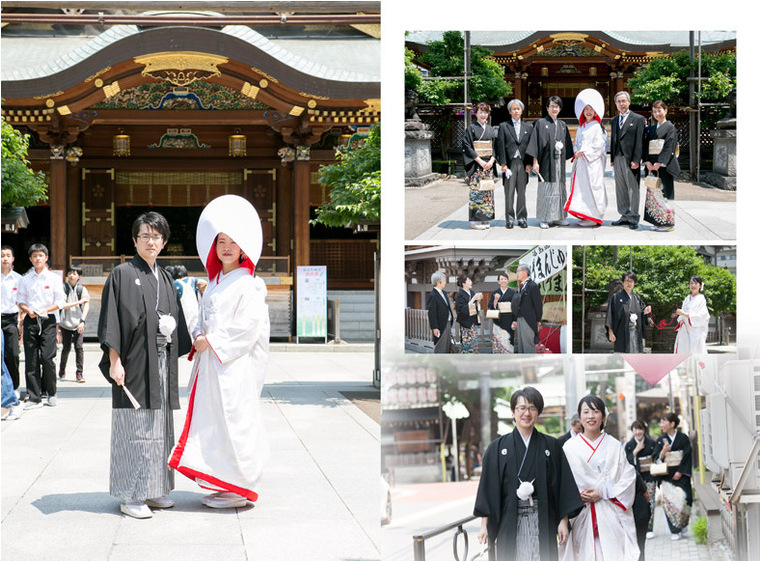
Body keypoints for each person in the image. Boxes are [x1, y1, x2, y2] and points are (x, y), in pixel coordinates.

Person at [169, 195, 270, 509]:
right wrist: (199, 333)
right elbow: (202, 318)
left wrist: (211, 341)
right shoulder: (213, 283)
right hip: (212, 364)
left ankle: (242, 486)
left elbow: (249, 326)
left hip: (234, 365)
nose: (226, 247)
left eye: (233, 242)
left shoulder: (250, 285)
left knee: (235, 420)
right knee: (214, 421)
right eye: (221, 241)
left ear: (243, 248)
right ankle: (224, 481)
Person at [98, 212, 191, 519]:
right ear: (134, 240)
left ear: (164, 242)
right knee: (134, 426)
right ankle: (129, 494)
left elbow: (174, 319)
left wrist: (170, 326)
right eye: (145, 236)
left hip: (161, 361)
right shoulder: (122, 274)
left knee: (159, 426)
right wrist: (115, 361)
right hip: (134, 362)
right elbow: (112, 319)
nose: (151, 242)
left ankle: (153, 489)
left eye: (157, 237)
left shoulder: (165, 278)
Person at [474, 386, 583, 560]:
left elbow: (561, 486)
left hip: (542, 518)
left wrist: (563, 521)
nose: (527, 413)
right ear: (513, 412)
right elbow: (489, 488)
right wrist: (484, 525)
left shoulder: (551, 445)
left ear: (538, 412)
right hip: (509, 519)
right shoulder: (498, 448)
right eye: (522, 408)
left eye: (532, 408)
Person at [561, 395, 640, 561]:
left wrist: (603, 492)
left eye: (596, 411)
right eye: (586, 412)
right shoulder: (569, 448)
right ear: (579, 417)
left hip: (610, 511)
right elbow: (562, 483)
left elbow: (628, 476)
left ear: (603, 417)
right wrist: (577, 496)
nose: (591, 416)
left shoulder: (614, 445)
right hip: (580, 513)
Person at [16, 244, 66, 409]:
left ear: (46, 258)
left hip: (48, 320)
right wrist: (27, 310)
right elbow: (20, 299)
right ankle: (34, 396)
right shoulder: (25, 279)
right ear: (30, 259)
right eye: (34, 256)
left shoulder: (53, 279)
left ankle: (51, 392)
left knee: (47, 357)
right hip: (31, 319)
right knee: (31, 359)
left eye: (40, 255)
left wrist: (46, 309)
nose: (38, 258)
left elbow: (60, 301)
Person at [527, 96, 573, 229]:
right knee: (546, 189)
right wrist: (535, 162)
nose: (554, 109)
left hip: (559, 162)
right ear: (547, 108)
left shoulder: (563, 125)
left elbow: (568, 145)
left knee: (559, 189)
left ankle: (559, 217)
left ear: (560, 108)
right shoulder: (540, 123)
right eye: (552, 106)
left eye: (557, 106)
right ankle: (544, 217)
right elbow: (535, 143)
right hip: (546, 162)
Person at [564, 89, 608, 227]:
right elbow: (576, 143)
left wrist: (583, 153)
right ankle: (585, 213)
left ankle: (594, 215)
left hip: (592, 163)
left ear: (595, 112)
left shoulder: (597, 127)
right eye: (586, 109)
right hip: (581, 163)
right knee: (581, 189)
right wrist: (576, 151)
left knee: (592, 187)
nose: (588, 112)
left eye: (591, 109)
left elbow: (599, 146)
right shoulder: (581, 127)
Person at [652, 413, 693, 541]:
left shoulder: (683, 438)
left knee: (686, 500)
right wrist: (662, 453)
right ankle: (674, 530)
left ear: (672, 424)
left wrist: (681, 471)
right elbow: (655, 458)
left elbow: (687, 455)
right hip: (667, 476)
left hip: (682, 475)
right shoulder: (660, 440)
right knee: (670, 503)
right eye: (661, 422)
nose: (661, 425)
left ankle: (684, 525)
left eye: (663, 421)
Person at [610, 92, 646, 230]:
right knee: (620, 188)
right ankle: (624, 214)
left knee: (632, 188)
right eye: (619, 101)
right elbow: (614, 140)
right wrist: (612, 158)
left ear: (629, 102)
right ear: (615, 104)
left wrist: (637, 159)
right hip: (618, 157)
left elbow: (640, 141)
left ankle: (634, 217)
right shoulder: (614, 120)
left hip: (631, 158)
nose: (621, 104)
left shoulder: (638, 119)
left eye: (624, 101)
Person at [496, 99, 533, 229]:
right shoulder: (504, 126)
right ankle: (509, 219)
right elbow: (500, 145)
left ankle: (522, 218)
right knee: (509, 192)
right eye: (514, 109)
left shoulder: (528, 127)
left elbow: (530, 147)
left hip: (523, 163)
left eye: (518, 109)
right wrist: (503, 163)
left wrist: (529, 163)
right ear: (510, 111)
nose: (516, 111)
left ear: (522, 111)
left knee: (522, 192)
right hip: (510, 163)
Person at [644, 100, 680, 232]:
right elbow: (646, 146)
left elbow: (669, 146)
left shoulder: (670, 127)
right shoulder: (652, 129)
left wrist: (659, 163)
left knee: (665, 193)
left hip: (664, 166)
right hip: (652, 166)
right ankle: (657, 221)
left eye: (659, 110)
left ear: (665, 111)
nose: (657, 114)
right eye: (654, 111)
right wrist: (647, 161)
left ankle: (668, 223)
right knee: (654, 195)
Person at [462, 102, 498, 230]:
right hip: (477, 165)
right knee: (477, 191)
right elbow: (467, 146)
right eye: (480, 112)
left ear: (488, 113)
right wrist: (479, 161)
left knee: (487, 192)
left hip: (488, 165)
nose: (483, 115)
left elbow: (495, 146)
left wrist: (492, 160)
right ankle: (475, 220)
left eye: (485, 112)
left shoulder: (490, 129)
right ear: (476, 114)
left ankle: (485, 218)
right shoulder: (471, 128)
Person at [624, 420, 658, 540]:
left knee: (651, 501)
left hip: (649, 477)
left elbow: (656, 458)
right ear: (632, 431)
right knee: (638, 503)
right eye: (635, 429)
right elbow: (626, 462)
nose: (638, 432)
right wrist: (635, 451)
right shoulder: (629, 445)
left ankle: (650, 528)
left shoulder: (652, 443)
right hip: (636, 480)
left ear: (644, 430)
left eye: (640, 429)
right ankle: (639, 525)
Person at [605, 271, 651, 353]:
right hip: (622, 332)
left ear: (634, 283)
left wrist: (645, 312)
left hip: (636, 332)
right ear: (623, 283)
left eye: (632, 281)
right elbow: (610, 316)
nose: (629, 283)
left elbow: (641, 314)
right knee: (622, 357)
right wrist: (610, 332)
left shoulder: (637, 298)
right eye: (627, 281)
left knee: (635, 356)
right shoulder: (615, 298)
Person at [58, 265, 90, 383]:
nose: (72, 275)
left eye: (75, 273)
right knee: (66, 348)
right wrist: (79, 301)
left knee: (79, 348)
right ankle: (62, 370)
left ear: (79, 276)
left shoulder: (82, 289)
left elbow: (86, 305)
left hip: (78, 324)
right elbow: (62, 305)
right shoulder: (62, 288)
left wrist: (82, 321)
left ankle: (79, 373)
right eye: (70, 273)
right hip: (65, 323)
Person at [1, 245, 23, 397]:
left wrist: (20, 322)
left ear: (13, 259)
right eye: (2, 255)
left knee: (13, 354)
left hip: (11, 319)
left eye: (8, 255)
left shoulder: (18, 279)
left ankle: (15, 387)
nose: (5, 258)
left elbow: (22, 302)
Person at [674, 275, 710, 355]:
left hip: (696, 331)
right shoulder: (687, 298)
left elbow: (702, 315)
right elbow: (682, 314)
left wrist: (685, 314)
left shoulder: (701, 298)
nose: (693, 285)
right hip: (685, 330)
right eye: (691, 283)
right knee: (683, 351)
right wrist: (681, 317)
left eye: (695, 283)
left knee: (696, 352)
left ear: (700, 286)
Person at [511, 264, 542, 354]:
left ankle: (531, 366)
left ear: (525, 272)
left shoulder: (532, 286)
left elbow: (538, 304)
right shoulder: (523, 286)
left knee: (528, 345)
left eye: (518, 271)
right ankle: (523, 366)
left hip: (528, 319)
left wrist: (538, 319)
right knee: (521, 345)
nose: (517, 273)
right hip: (521, 318)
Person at [427, 271, 454, 354]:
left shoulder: (444, 293)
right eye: (444, 280)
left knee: (447, 346)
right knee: (441, 346)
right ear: (438, 282)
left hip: (448, 322)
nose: (445, 282)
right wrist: (434, 327)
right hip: (440, 324)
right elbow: (432, 313)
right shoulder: (433, 295)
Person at [454, 274, 482, 354]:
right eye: (469, 281)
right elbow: (461, 310)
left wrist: (478, 300)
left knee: (474, 343)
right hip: (466, 324)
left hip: (473, 322)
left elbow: (476, 307)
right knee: (467, 345)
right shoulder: (459, 295)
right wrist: (473, 299)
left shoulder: (472, 292)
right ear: (463, 283)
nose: (471, 282)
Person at [488, 272, 515, 354]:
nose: (504, 281)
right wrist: (495, 300)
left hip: (509, 319)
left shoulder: (512, 292)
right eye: (502, 279)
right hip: (498, 320)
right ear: (498, 281)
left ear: (508, 281)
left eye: (505, 279)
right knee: (498, 339)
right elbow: (490, 306)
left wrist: (515, 320)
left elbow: (515, 307)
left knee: (508, 338)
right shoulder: (495, 292)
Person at [172, 265, 201, 336]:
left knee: (184, 332)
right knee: (194, 332)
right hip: (195, 310)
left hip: (185, 311)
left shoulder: (176, 283)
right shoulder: (191, 279)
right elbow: (204, 282)